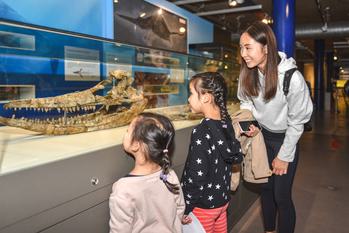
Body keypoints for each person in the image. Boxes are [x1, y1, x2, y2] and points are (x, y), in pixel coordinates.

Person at [238, 21, 313, 233]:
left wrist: (284, 156)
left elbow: (297, 122)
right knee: (266, 190)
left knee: (282, 196)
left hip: (285, 139)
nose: (243, 53)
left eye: (248, 47)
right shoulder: (248, 72)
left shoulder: (292, 78)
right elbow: (245, 102)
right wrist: (250, 124)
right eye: (241, 47)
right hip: (261, 137)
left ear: (266, 48)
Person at [181, 72, 243, 233]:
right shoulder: (225, 123)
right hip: (222, 201)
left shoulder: (201, 132)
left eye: (192, 93)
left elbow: (196, 175)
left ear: (206, 97)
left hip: (203, 207)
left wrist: (186, 206)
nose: (189, 98)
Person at [109, 112, 185, 233]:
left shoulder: (123, 189)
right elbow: (180, 209)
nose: (126, 133)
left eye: (127, 131)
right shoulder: (169, 174)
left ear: (135, 145)